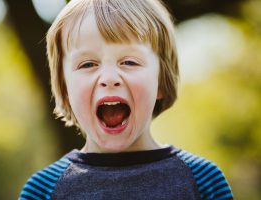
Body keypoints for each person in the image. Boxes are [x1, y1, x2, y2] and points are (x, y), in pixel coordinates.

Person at [19, 0, 233, 199]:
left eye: (129, 62)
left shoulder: (203, 181)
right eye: (88, 64)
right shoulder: (43, 190)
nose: (109, 79)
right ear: (65, 88)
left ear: (160, 81)